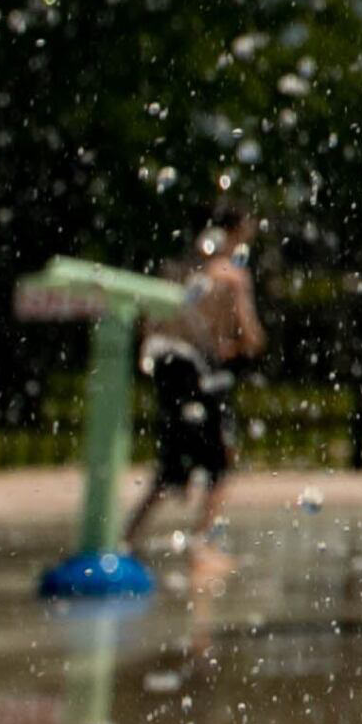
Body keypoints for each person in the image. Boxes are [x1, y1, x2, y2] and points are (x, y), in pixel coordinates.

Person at [127, 205, 266, 566]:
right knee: (220, 460)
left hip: (170, 373)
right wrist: (230, 342)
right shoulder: (232, 278)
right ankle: (203, 545)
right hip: (206, 374)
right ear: (233, 235)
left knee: (173, 461)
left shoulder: (171, 272)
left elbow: (148, 331)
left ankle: (125, 538)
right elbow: (252, 339)